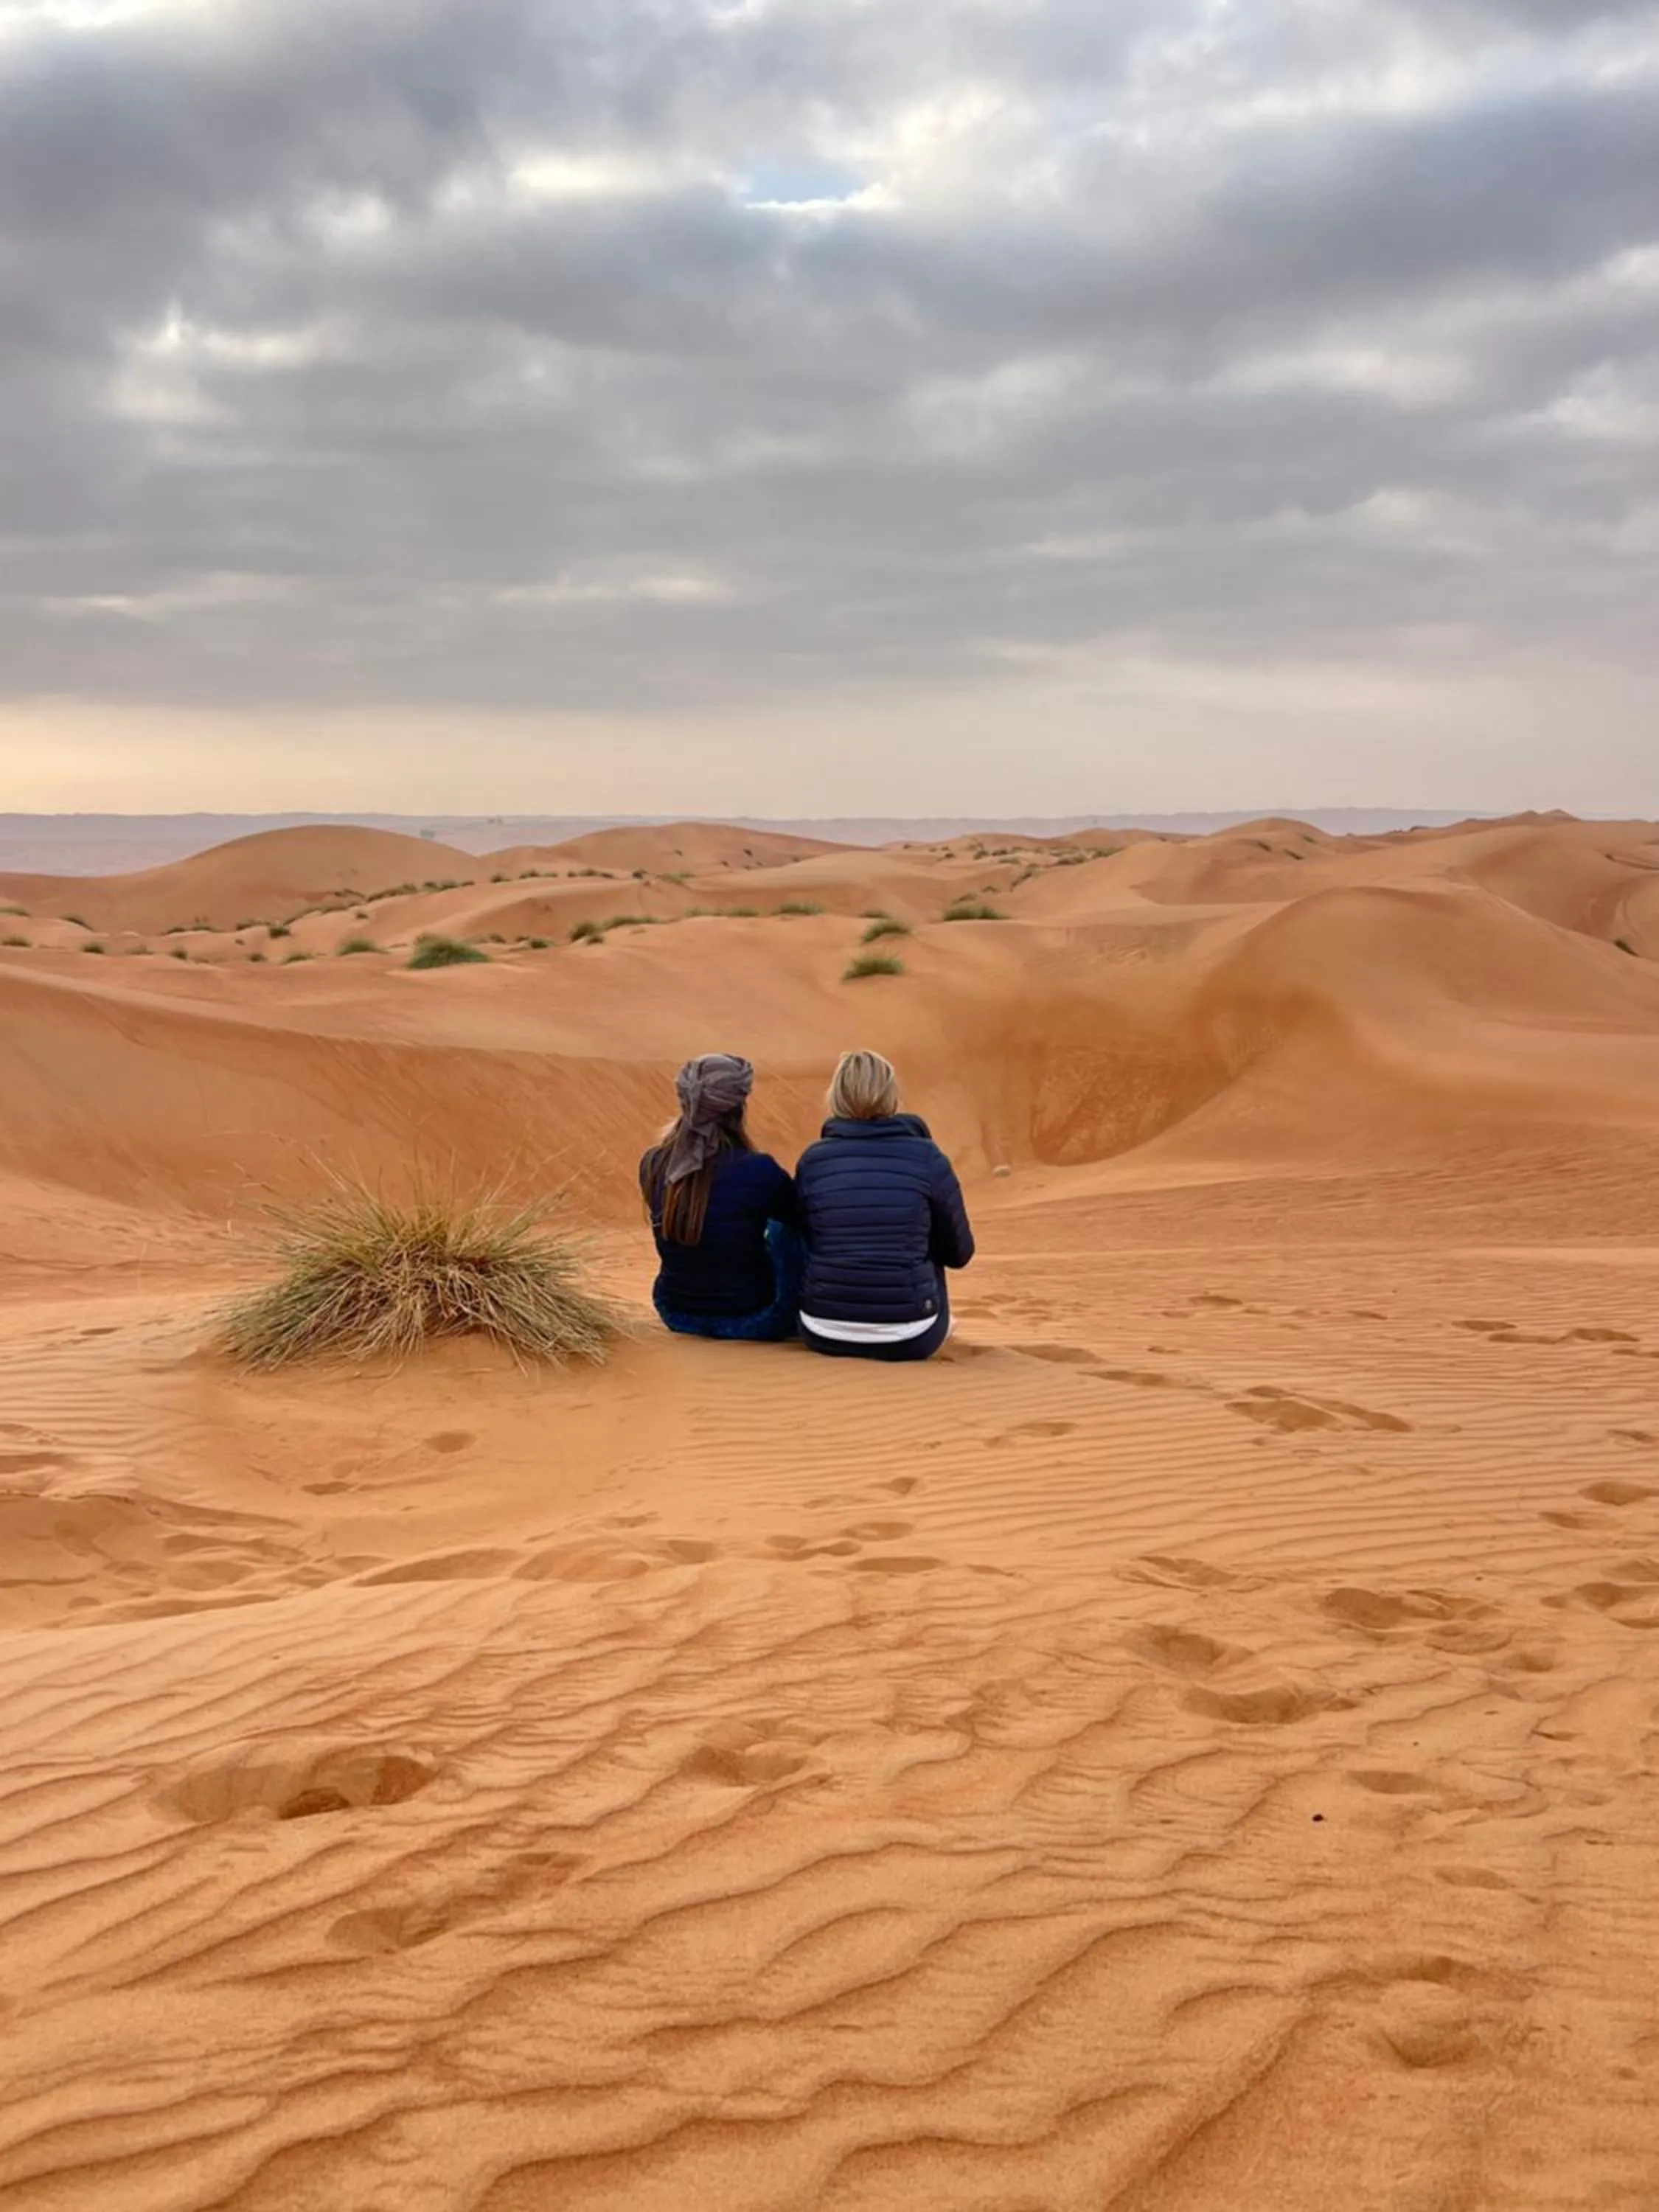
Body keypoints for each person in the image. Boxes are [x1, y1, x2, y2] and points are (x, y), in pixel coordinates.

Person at [794, 1049, 974, 1362]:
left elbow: (801, 1239)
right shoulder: (927, 1157)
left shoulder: (813, 1161)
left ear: (835, 1097)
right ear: (891, 1094)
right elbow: (959, 1253)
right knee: (924, 1236)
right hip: (912, 1338)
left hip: (820, 1330)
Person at [641, 1053, 800, 1340]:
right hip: (752, 1317)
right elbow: (799, 1217)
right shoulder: (759, 1169)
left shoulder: (653, 1164)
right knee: (784, 1229)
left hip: (675, 1312)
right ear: (738, 1109)